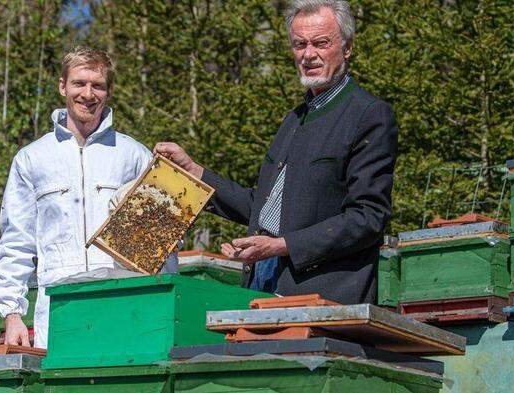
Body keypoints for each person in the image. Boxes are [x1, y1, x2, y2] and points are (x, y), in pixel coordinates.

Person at [155, 0, 397, 304]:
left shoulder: (368, 114)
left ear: (346, 47)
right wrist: (196, 174)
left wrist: (282, 245)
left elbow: (368, 217)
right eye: (299, 44)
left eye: (321, 43)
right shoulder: (294, 119)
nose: (309, 55)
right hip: (262, 281)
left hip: (322, 297)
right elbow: (263, 207)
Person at [0, 46, 162, 349]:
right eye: (79, 83)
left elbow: (162, 242)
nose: (88, 94)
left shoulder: (134, 155)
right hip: (57, 309)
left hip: (122, 303)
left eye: (98, 85)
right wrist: (12, 313)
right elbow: (16, 240)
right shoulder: (32, 158)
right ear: (62, 86)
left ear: (108, 92)